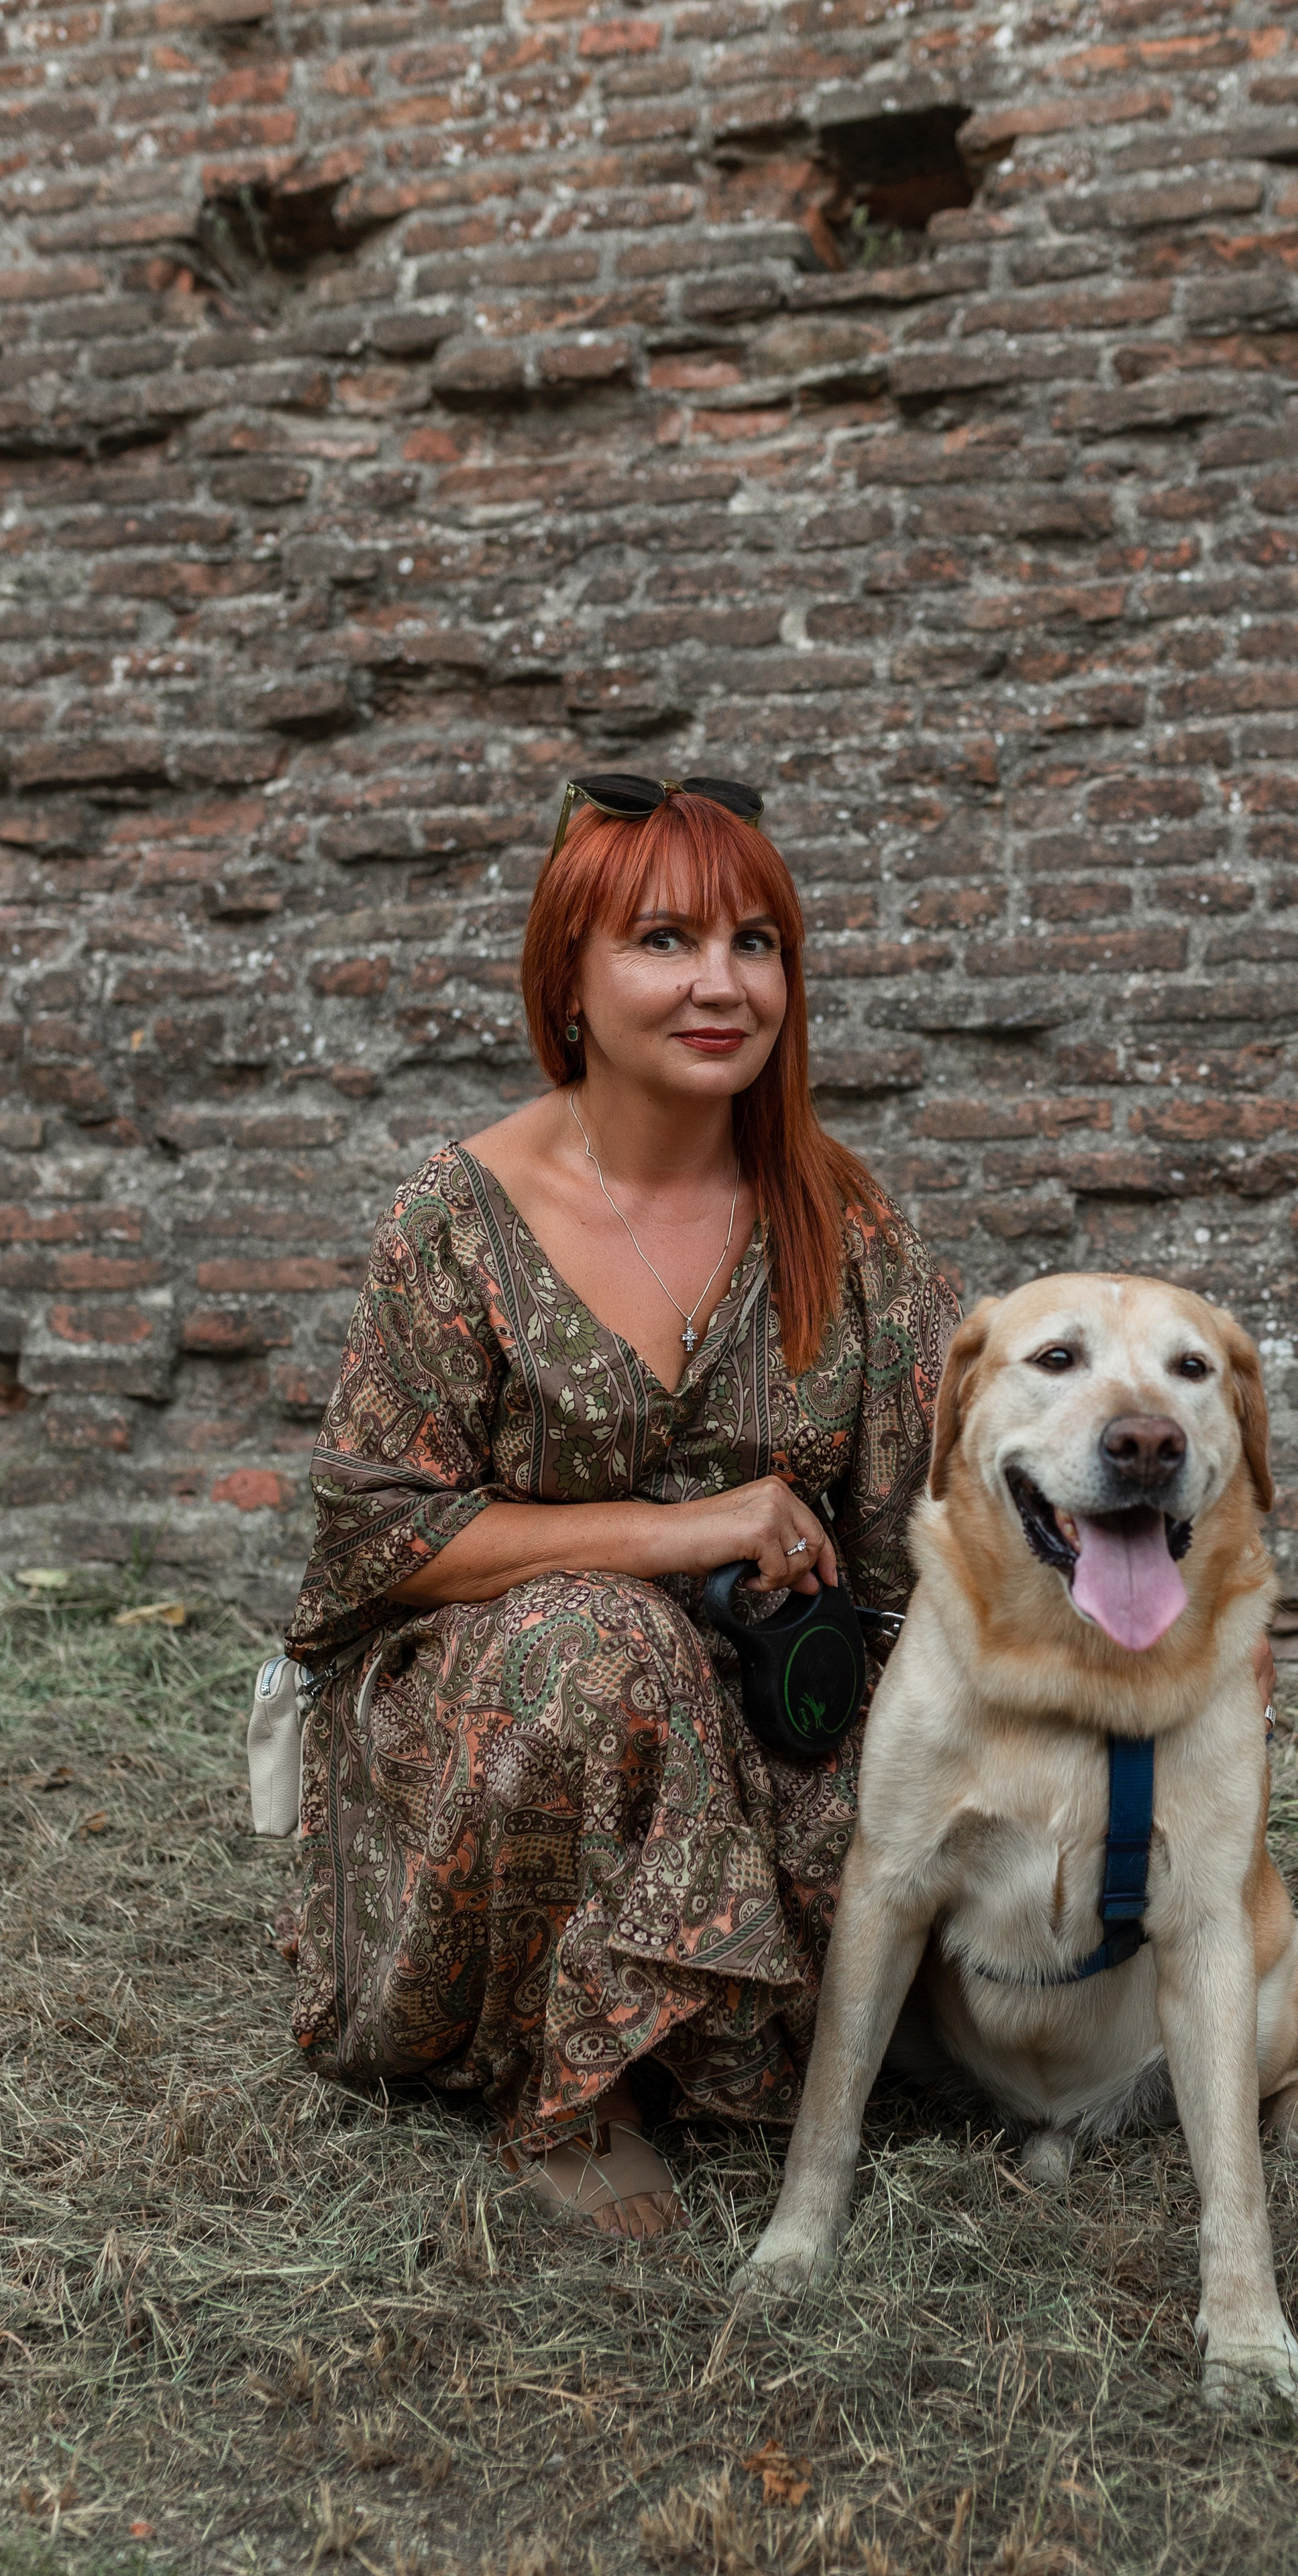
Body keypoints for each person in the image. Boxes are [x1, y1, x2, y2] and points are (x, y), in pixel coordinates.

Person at [284, 775, 960, 2238]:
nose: (721, 984)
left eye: (756, 943)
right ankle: (566, 2090)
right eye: (663, 940)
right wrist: (684, 1532)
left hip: (768, 1704)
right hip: (500, 1700)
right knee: (606, 1647)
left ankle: (756, 2043)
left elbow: (930, 1529)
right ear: (569, 982)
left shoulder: (845, 1227)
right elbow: (378, 1533)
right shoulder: (457, 1220)